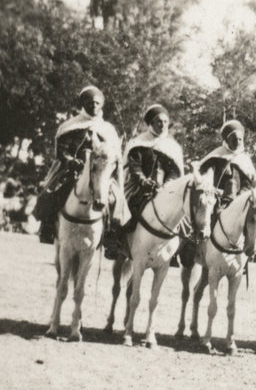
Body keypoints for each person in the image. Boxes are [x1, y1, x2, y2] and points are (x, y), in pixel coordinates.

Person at [38, 85, 123, 244]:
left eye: (97, 103)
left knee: (115, 198)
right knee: (52, 191)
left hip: (99, 173)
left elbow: (114, 155)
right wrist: (71, 160)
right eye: (90, 102)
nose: (94, 106)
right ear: (83, 104)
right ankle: (47, 226)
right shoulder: (70, 126)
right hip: (73, 171)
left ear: (101, 105)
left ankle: (111, 235)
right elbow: (62, 151)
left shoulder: (108, 130)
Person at [104, 104, 185, 259]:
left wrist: (167, 185)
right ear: (151, 123)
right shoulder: (138, 143)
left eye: (165, 122)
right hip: (139, 186)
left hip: (165, 189)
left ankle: (175, 251)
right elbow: (134, 166)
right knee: (123, 207)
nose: (162, 125)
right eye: (159, 122)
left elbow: (174, 172)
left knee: (180, 214)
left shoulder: (172, 147)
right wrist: (143, 181)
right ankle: (115, 240)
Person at [199, 120, 256, 210]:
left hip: (238, 203)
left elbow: (248, 184)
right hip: (214, 199)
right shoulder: (215, 156)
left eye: (240, 139)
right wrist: (213, 191)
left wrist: (239, 197)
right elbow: (205, 177)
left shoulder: (244, 160)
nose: (237, 142)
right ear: (226, 140)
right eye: (234, 139)